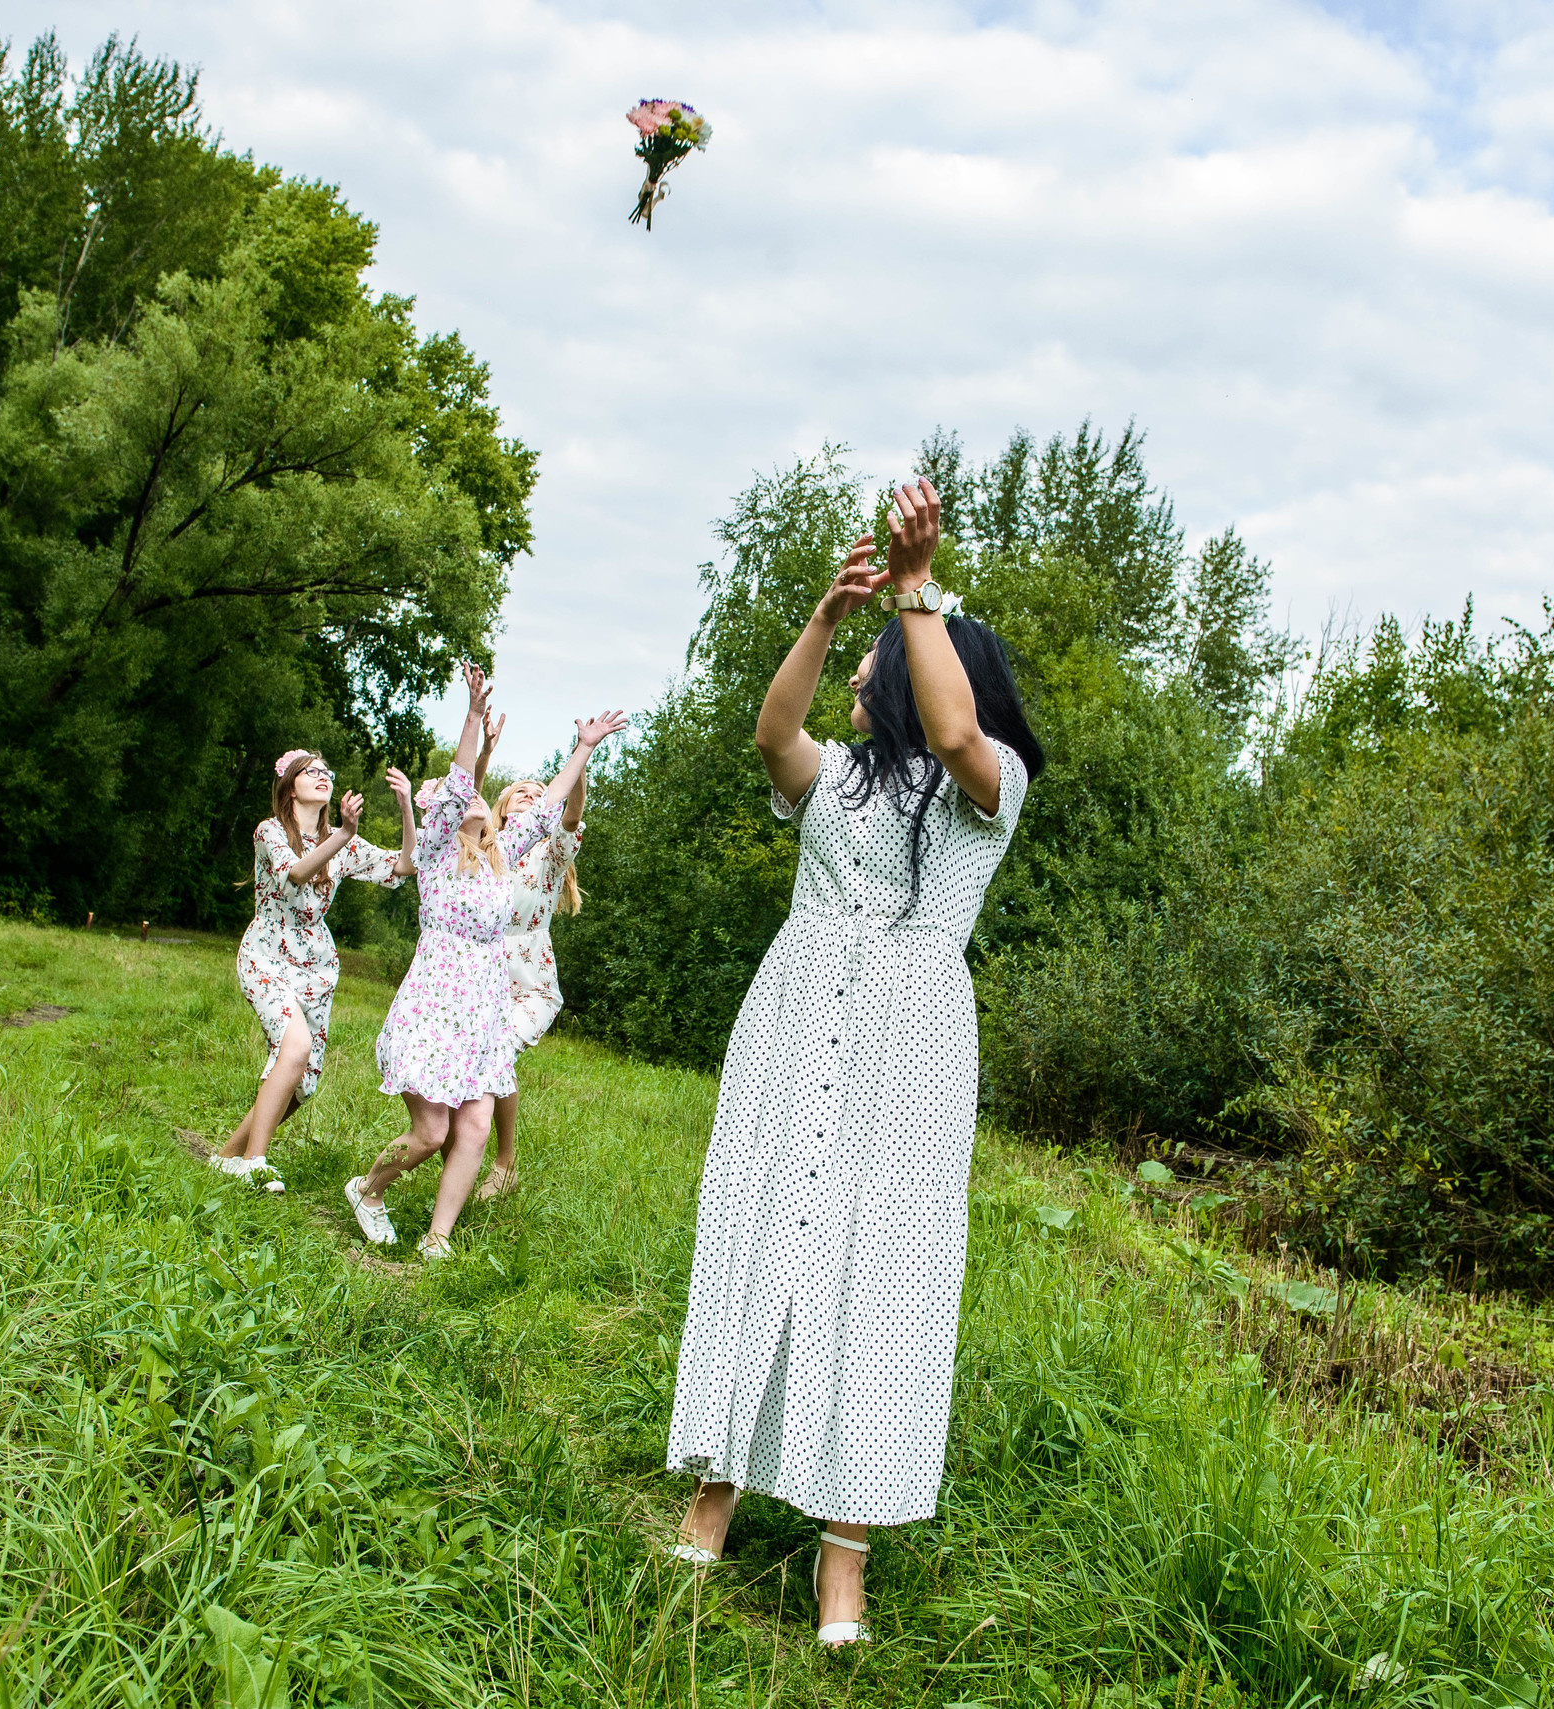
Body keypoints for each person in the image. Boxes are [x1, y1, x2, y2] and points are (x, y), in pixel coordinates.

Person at [661, 479, 1043, 1649]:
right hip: (796, 1011)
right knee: (766, 1224)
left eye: (893, 647)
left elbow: (952, 732)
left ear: (943, 661)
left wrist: (917, 592)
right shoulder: (837, 775)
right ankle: (713, 1496)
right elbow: (773, 733)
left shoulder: (990, 786)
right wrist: (826, 618)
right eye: (882, 644)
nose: (876, 663)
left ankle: (843, 1566)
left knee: (879, 1271)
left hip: (908, 1037)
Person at [345, 668, 627, 1257]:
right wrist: (473, 715)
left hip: (483, 1014)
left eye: (478, 795)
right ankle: (368, 1190)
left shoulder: (503, 854)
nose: (476, 794)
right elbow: (456, 780)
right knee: (431, 1132)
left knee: (473, 1127)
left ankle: (437, 1239)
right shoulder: (441, 851)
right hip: (432, 1008)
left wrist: (583, 747)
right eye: (466, 795)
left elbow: (551, 810)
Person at [218, 749, 407, 1195]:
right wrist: (344, 832)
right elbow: (297, 873)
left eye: (327, 772)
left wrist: (405, 811)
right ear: (290, 785)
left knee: (302, 1081)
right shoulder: (270, 831)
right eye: (312, 772)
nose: (323, 777)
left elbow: (402, 866)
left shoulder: (342, 841)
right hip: (267, 953)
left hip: (316, 967)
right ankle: (254, 1163)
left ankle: (226, 1158)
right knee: (295, 1045)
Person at [474, 742, 597, 1201]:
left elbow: (570, 815)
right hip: (480, 975)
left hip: (529, 985)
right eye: (521, 792)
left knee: (497, 1053)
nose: (532, 794)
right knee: (472, 1065)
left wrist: (580, 759)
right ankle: (460, 1159)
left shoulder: (549, 854)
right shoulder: (485, 850)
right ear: (503, 808)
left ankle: (504, 1163)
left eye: (539, 791)